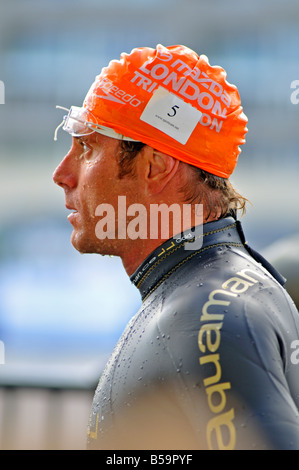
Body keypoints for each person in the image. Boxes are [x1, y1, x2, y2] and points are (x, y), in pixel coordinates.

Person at [53, 44, 299, 450]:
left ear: (155, 166)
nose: (62, 174)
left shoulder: (215, 316)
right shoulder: (200, 295)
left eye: (87, 147)